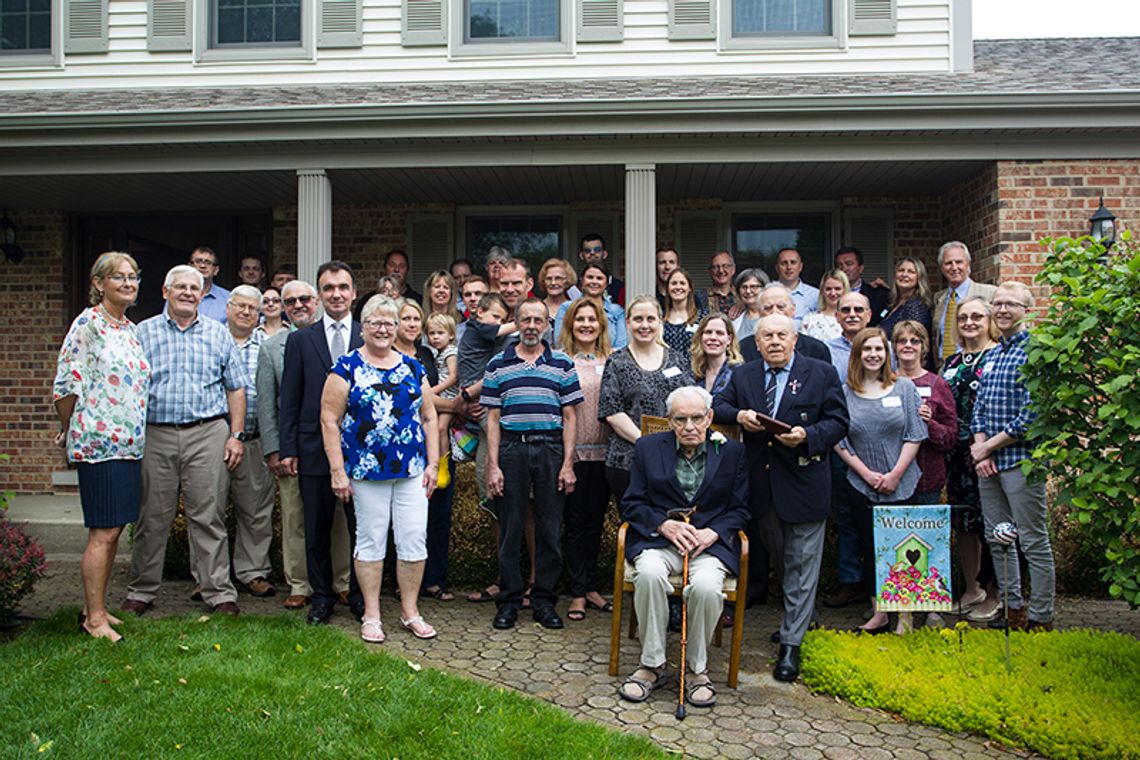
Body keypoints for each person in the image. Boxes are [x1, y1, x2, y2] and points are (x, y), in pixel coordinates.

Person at [713, 314, 848, 681]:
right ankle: (798, 619)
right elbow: (718, 406)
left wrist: (808, 434)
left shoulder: (821, 372)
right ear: (756, 344)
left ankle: (791, 646)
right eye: (767, 336)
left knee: (802, 564)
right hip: (762, 487)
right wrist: (740, 414)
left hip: (804, 482)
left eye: (781, 335)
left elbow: (839, 422)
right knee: (786, 561)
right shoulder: (744, 375)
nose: (774, 341)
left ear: (794, 339)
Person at [122, 265, 248, 617]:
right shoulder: (142, 333)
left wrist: (236, 435)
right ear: (165, 292)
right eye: (181, 287)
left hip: (207, 432)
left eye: (195, 287)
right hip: (156, 434)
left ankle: (218, 591)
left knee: (207, 516)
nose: (189, 293)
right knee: (151, 517)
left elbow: (236, 387)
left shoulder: (217, 333)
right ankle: (141, 591)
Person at [618, 386, 749, 707]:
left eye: (697, 418)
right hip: (660, 541)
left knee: (705, 586)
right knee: (647, 573)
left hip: (708, 547)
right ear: (669, 420)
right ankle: (652, 665)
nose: (689, 426)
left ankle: (696, 670)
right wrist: (663, 524)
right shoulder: (648, 448)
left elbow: (742, 509)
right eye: (680, 419)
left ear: (710, 418)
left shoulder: (731, 451)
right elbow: (632, 504)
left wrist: (713, 533)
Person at [321, 295, 440, 643]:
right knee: (371, 541)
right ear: (363, 327)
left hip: (412, 470)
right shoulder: (346, 367)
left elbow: (429, 417)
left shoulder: (413, 367)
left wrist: (433, 464)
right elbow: (329, 420)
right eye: (375, 322)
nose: (384, 329)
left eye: (390, 322)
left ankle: (410, 611)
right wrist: (337, 470)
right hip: (365, 470)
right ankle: (371, 614)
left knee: (414, 540)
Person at [53, 252, 151, 642]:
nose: (128, 283)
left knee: (114, 530)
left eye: (133, 277)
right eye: (119, 278)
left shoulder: (128, 328)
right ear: (99, 284)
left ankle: (98, 607)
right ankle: (93, 618)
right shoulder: (88, 325)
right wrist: (69, 428)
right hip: (100, 443)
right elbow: (66, 385)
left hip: (128, 444)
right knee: (103, 532)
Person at [483, 298, 582, 631]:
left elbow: (570, 416)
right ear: (516, 321)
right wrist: (492, 465)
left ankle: (543, 601)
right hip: (512, 449)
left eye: (538, 320)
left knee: (550, 528)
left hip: (551, 449)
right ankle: (509, 601)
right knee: (510, 527)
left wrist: (568, 463)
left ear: (547, 325)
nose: (531, 326)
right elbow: (492, 418)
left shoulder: (563, 364)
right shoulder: (498, 363)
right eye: (525, 319)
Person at [279, 260, 366, 625]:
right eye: (328, 288)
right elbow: (291, 398)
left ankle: (361, 596)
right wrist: (289, 449)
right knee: (315, 528)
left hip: (362, 451)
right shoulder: (301, 340)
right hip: (313, 449)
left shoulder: (368, 335)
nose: (336, 294)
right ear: (319, 296)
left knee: (363, 528)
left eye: (342, 287)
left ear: (353, 293)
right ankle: (321, 597)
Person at [256, 279, 352, 610]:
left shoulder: (350, 335)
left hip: (347, 444)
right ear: (283, 307)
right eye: (290, 301)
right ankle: (300, 583)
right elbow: (272, 403)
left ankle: (342, 581)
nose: (298, 305)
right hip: (300, 445)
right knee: (299, 517)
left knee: (340, 519)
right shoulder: (275, 347)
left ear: (317, 301)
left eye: (305, 299)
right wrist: (278, 448)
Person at [970, 281, 1055, 631]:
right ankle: (1012, 607)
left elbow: (1032, 416)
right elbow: (979, 408)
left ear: (1027, 310)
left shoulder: (1036, 353)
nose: (1002, 309)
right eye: (998, 303)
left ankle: (1041, 616)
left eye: (1011, 304)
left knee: (1032, 539)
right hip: (988, 464)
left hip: (1022, 461)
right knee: (997, 536)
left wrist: (988, 446)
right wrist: (980, 452)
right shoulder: (992, 354)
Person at [835, 327, 927, 635]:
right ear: (857, 355)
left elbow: (915, 433)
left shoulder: (903, 388)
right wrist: (867, 474)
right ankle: (879, 613)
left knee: (905, 550)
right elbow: (840, 441)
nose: (873, 355)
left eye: (879, 349)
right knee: (871, 547)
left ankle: (905, 618)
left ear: (887, 354)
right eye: (867, 349)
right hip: (862, 484)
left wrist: (895, 474)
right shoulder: (845, 392)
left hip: (903, 482)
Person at [940, 297, 1001, 622]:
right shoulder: (952, 362)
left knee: (991, 524)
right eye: (963, 317)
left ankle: (995, 591)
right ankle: (972, 588)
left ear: (988, 319)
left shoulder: (998, 356)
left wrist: (986, 448)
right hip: (955, 456)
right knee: (964, 522)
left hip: (987, 453)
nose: (969, 322)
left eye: (977, 316)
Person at [893, 320, 957, 628]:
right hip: (892, 477)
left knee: (928, 541)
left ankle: (931, 607)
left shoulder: (938, 384)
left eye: (914, 341)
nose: (908, 346)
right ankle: (902, 608)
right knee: (896, 542)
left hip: (928, 475)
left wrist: (929, 423)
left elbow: (950, 437)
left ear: (924, 346)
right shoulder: (886, 383)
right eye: (902, 340)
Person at [599, 296, 690, 503]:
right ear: (628, 322)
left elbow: (690, 402)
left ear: (660, 322)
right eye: (638, 319)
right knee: (638, 524)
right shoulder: (616, 362)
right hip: (628, 461)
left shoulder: (677, 359)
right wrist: (648, 445)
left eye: (651, 319)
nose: (645, 325)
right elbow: (612, 412)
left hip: (675, 458)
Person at [557, 297, 615, 621]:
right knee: (576, 524)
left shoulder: (614, 359)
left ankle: (591, 586)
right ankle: (577, 592)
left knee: (595, 523)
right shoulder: (561, 361)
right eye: (580, 320)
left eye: (592, 320)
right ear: (570, 325)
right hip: (574, 454)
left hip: (606, 454)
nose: (586, 325)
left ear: (601, 325)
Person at [222, 286, 277, 599]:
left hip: (254, 438)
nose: (245, 312)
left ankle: (252, 572)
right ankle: (207, 578)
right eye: (240, 306)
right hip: (214, 437)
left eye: (252, 308)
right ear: (228, 308)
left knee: (255, 510)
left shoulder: (266, 346)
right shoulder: (212, 339)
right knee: (208, 510)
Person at [820, 290, 874, 609]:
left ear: (869, 314)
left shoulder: (886, 348)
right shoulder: (825, 352)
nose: (852, 314)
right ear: (837, 315)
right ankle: (850, 581)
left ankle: (879, 586)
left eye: (858, 309)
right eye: (846, 310)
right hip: (841, 444)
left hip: (880, 446)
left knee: (877, 519)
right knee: (845, 516)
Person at [933, 241, 997, 363]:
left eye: (959, 262)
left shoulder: (989, 293)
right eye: (948, 263)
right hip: (945, 367)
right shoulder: (938, 299)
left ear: (968, 265)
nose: (954, 267)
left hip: (979, 363)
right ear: (942, 268)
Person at [740, 285, 830, 364]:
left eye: (781, 307)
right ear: (759, 312)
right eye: (768, 308)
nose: (775, 312)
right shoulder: (743, 349)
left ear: (793, 310)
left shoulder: (816, 350)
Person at [553, 262, 627, 349]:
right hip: (573, 360)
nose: (594, 281)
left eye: (599, 278)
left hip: (609, 361)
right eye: (590, 277)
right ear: (582, 281)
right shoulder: (566, 308)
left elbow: (621, 346)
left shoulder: (617, 311)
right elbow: (560, 343)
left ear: (606, 283)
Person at [425, 312, 460, 467]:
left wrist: (433, 390)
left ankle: (443, 462)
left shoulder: (450, 352)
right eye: (432, 333)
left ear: (451, 335)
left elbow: (454, 376)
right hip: (443, 395)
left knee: (440, 427)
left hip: (449, 396)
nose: (435, 337)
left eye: (440, 333)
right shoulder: (438, 353)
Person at [878, 257, 934, 349]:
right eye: (901, 270)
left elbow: (911, 342)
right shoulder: (893, 303)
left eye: (911, 272)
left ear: (919, 277)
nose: (904, 274)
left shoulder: (917, 306)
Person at [687, 312, 743, 396]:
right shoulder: (693, 372)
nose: (713, 337)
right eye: (708, 332)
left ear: (729, 339)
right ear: (700, 337)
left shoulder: (739, 373)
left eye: (719, 333)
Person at [834, 246, 888, 327]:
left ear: (861, 268)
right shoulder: (830, 295)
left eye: (849, 264)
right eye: (839, 265)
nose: (844, 269)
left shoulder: (878, 294)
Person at [662, 268, 706, 355]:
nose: (678, 287)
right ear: (667, 288)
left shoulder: (703, 318)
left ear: (690, 288)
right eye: (674, 283)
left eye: (682, 283)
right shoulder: (660, 319)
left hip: (695, 368)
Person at [800, 269, 849, 343]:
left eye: (837, 289)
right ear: (822, 291)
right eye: (828, 289)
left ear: (845, 290)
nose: (833, 293)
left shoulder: (852, 318)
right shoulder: (809, 319)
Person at [774, 248, 819, 327]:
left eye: (793, 262)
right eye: (784, 263)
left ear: (800, 266)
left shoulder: (815, 295)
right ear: (777, 268)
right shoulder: (767, 294)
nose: (789, 267)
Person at [578, 233, 624, 306]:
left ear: (605, 254)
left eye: (597, 250)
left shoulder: (619, 288)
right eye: (587, 250)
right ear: (581, 255)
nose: (592, 253)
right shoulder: (575, 288)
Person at [189, 246, 230, 323]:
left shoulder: (228, 298)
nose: (203, 266)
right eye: (198, 261)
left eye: (208, 263)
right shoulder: (178, 294)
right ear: (190, 266)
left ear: (216, 270)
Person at [728, 268, 769, 340]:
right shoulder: (735, 318)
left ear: (764, 288)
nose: (748, 291)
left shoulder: (774, 316)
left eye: (753, 287)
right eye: (744, 287)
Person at [538, 258, 574, 322]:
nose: (553, 283)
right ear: (543, 281)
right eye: (549, 278)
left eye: (558, 278)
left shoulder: (573, 307)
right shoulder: (537, 307)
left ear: (567, 280)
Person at [705, 251, 737, 315]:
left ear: (733, 269)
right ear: (710, 271)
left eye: (725, 266)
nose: (721, 271)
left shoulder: (742, 297)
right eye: (716, 267)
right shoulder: (699, 298)